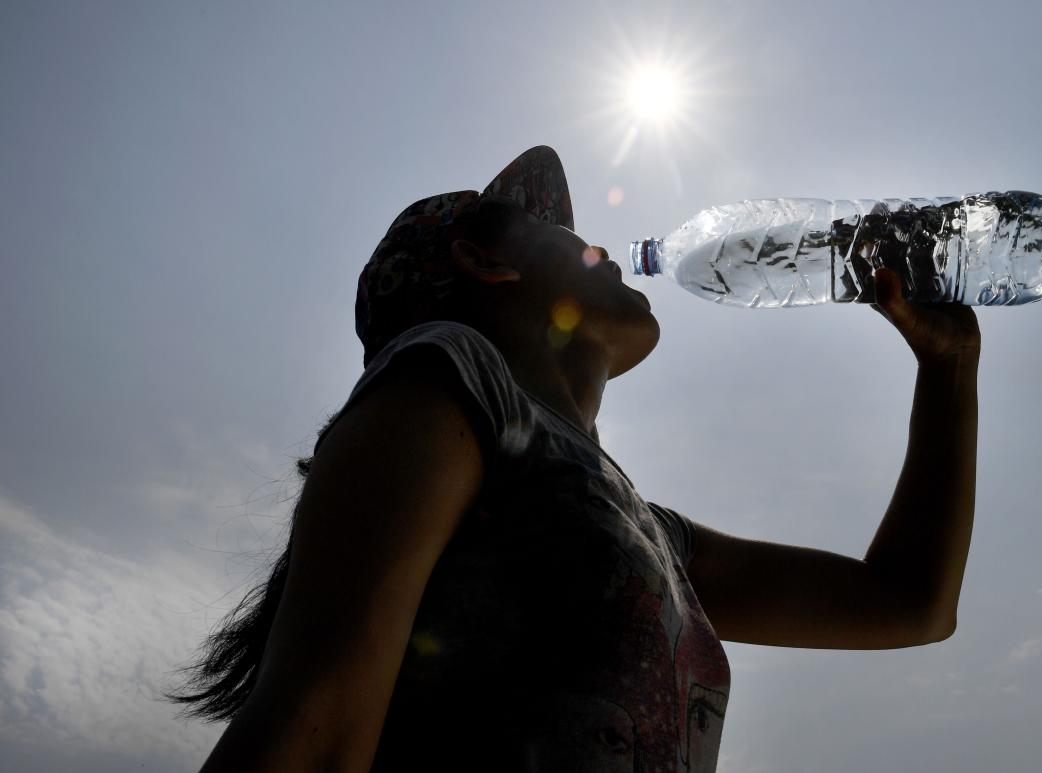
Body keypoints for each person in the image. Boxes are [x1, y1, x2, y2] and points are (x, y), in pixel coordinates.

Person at [169, 145, 981, 772]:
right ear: (487, 262)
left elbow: (909, 604)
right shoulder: (449, 379)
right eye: (565, 234)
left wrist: (947, 369)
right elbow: (312, 742)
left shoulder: (644, 526)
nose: (602, 248)